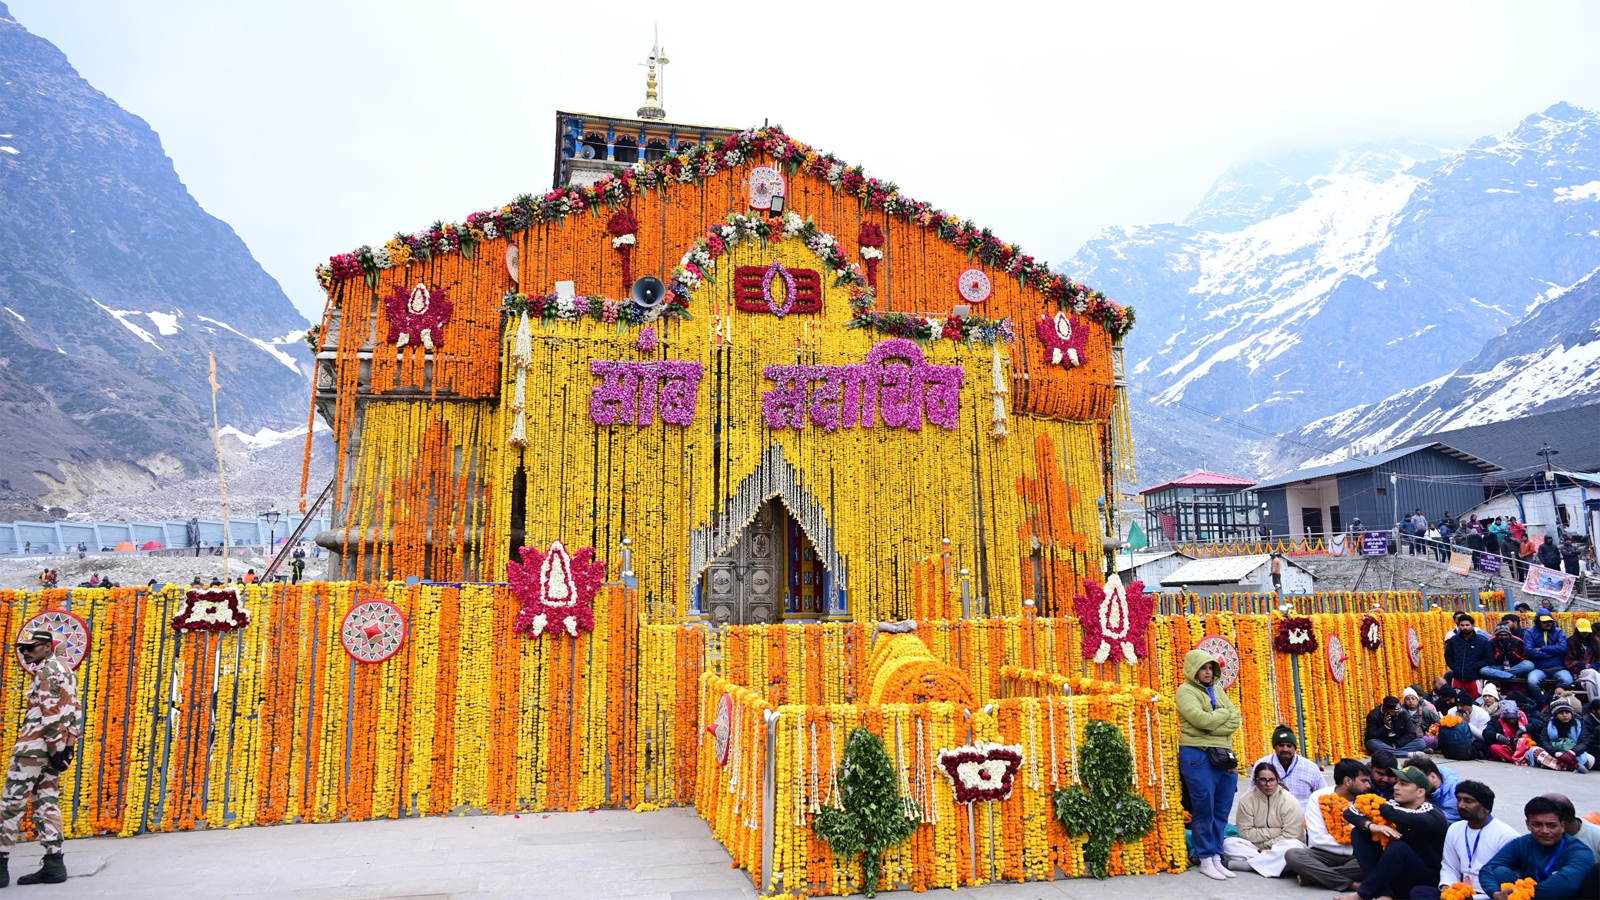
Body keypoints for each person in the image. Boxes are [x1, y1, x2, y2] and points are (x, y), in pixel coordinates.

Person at [0, 629, 82, 886]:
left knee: (11, 803)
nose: (25, 652)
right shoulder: (68, 671)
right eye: (23, 648)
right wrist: (67, 748)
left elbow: (49, 711)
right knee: (47, 803)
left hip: (34, 748)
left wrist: (56, 746)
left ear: (47, 647)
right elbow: (76, 711)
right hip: (52, 749)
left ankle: (1, 864)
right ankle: (54, 864)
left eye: (30, 647)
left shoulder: (45, 671)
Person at [1175, 647, 1242, 881]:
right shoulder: (1185, 691)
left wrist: (1213, 722)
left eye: (1210, 667)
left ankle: (1216, 854)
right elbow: (1200, 720)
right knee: (1204, 806)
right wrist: (1220, 717)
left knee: (1222, 808)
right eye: (1203, 667)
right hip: (1197, 754)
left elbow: (1236, 718)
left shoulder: (1218, 689)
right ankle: (1204, 858)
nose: (1207, 671)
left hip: (1223, 754)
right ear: (1193, 669)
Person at [1336, 765, 1449, 900]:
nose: (1396, 787)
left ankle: (1363, 893)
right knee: (1359, 833)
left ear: (1420, 792)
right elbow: (1350, 812)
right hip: (1398, 874)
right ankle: (1385, 893)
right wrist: (1370, 825)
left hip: (1426, 880)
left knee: (1398, 847)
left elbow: (1402, 815)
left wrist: (1376, 805)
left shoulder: (1433, 814)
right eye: (1396, 782)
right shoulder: (1394, 805)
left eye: (1403, 784)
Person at [1413, 780, 1519, 900]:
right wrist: (1447, 888)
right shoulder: (1455, 828)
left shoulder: (1506, 835)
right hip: (1461, 893)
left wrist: (1475, 898)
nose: (1461, 805)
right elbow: (1449, 866)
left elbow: (1509, 881)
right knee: (1419, 892)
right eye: (1459, 799)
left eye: (1468, 801)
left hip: (1489, 895)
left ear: (1486, 808)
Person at [1479, 795, 1595, 900]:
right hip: (1521, 895)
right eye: (1537, 824)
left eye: (1551, 825)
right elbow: (1488, 869)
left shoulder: (1580, 852)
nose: (1545, 831)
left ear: (1562, 826)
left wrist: (1521, 896)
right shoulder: (1522, 843)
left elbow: (1559, 888)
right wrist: (1494, 893)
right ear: (1528, 825)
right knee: (1499, 871)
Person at [1285, 758, 1372, 890]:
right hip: (1323, 854)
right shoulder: (1319, 797)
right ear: (1348, 781)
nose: (1368, 786)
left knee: (1377, 861)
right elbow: (1317, 839)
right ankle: (1350, 884)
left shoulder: (1368, 800)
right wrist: (1350, 845)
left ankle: (1314, 876)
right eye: (1364, 781)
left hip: (1356, 856)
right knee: (1292, 855)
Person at [1221, 761, 1306, 876]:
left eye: (1272, 780)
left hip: (1281, 847)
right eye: (1263, 780)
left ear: (1277, 780)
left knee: (1294, 847)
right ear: (1255, 781)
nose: (1268, 784)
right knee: (1229, 843)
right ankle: (1273, 864)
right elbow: (1245, 833)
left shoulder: (1289, 802)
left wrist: (1268, 849)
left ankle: (1248, 865)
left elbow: (1292, 835)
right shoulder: (1246, 800)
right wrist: (1276, 831)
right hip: (1256, 848)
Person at [1253, 724, 1323, 809]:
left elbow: (1322, 795)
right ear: (1274, 747)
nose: (1285, 749)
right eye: (1281, 745)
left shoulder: (1310, 767)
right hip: (1271, 817)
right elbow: (1252, 793)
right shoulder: (1262, 764)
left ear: (1295, 748)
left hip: (1303, 817)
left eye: (1289, 746)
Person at [1528, 699, 1590, 772]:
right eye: (1561, 713)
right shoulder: (1549, 724)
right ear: (1556, 716)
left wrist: (1572, 752)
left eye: (1567, 712)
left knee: (1590, 759)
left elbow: (1584, 742)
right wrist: (1555, 752)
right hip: (1554, 754)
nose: (1565, 715)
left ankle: (1557, 765)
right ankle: (1571, 766)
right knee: (1534, 751)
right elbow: (1543, 741)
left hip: (1573, 754)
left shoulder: (1579, 724)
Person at [1525, 610, 1572, 703]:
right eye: (1545, 622)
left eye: (1550, 621)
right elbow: (1529, 651)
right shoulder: (1529, 632)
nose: (1548, 623)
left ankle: (1553, 698)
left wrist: (1542, 648)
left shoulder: (1558, 631)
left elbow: (1563, 648)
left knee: (1567, 680)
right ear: (1538, 621)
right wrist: (1554, 651)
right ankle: (1541, 704)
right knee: (1532, 681)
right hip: (1539, 668)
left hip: (1558, 667)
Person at [1444, 612, 1494, 700]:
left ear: (1472, 625)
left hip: (1474, 679)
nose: (1465, 627)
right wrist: (1455, 667)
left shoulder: (1482, 641)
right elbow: (1448, 656)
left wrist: (1475, 666)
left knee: (1476, 702)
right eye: (1462, 625)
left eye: (1467, 625)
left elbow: (1489, 659)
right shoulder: (1453, 641)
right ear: (1458, 626)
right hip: (1457, 678)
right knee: (1458, 703)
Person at [1404, 754, 1461, 822]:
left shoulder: (1457, 793)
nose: (1415, 785)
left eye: (1419, 780)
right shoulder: (1424, 790)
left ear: (1433, 777)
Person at [1439, 691, 1489, 761]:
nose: (1459, 708)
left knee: (1485, 745)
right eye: (1457, 705)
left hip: (1474, 742)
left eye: (1462, 706)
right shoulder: (1452, 712)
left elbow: (1483, 737)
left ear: (1470, 705)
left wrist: (1467, 724)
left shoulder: (1482, 714)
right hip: (1456, 741)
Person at [1563, 618, 1600, 699]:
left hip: (1595, 671)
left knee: (1590, 683)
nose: (1585, 633)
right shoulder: (1571, 642)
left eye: (1587, 631)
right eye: (1582, 631)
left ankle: (1595, 706)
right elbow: (1568, 661)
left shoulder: (1596, 641)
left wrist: (1593, 665)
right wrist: (1583, 665)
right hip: (1578, 671)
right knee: (1592, 673)